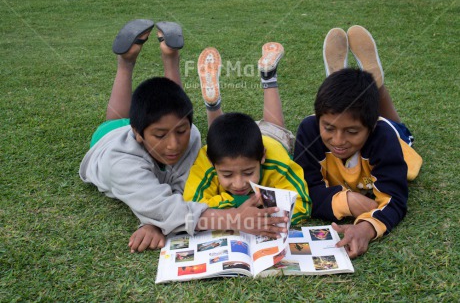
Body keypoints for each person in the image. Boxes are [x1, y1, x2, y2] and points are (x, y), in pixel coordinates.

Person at [79, 19, 288, 253]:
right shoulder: (120, 163)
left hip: (153, 124)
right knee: (115, 120)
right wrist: (234, 218)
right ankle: (125, 63)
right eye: (160, 135)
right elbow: (160, 206)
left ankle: (171, 57)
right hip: (106, 140)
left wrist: (159, 224)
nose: (174, 145)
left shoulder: (192, 137)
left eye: (182, 131)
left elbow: (185, 188)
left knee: (171, 109)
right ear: (138, 134)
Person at [294, 25, 423, 258]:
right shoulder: (309, 130)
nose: (338, 140)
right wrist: (348, 201)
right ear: (319, 119)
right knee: (346, 108)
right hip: (356, 119)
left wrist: (366, 227)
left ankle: (376, 82)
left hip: (388, 131)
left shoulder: (382, 137)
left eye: (352, 132)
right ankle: (341, 83)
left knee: (401, 131)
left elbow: (395, 199)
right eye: (328, 128)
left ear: (370, 128)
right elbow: (304, 188)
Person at [183, 43, 311, 225]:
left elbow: (303, 204)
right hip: (234, 141)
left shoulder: (276, 159)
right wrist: (238, 204)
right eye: (227, 175)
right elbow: (190, 206)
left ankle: (215, 105)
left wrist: (264, 214)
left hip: (272, 140)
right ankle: (267, 77)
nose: (239, 184)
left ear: (262, 157)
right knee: (267, 124)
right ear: (212, 163)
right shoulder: (206, 159)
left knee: (276, 129)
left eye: (249, 172)